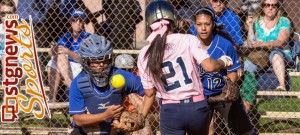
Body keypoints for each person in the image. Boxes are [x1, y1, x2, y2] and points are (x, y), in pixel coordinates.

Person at [137, 1, 233, 135]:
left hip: (170, 111)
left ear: (149, 24)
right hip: (196, 109)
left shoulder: (144, 53)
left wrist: (141, 116)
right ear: (174, 20)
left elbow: (150, 93)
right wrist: (223, 62)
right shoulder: (188, 39)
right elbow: (210, 66)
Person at [193, 7, 257, 135]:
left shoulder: (225, 44)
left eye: (207, 24)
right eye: (199, 24)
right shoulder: (191, 44)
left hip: (222, 93)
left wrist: (229, 86)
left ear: (213, 24)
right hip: (201, 96)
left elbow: (233, 70)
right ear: (195, 25)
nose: (203, 28)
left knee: (245, 131)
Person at [69, 34, 144, 135]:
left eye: (104, 59)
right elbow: (77, 119)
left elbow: (149, 90)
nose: (101, 64)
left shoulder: (120, 75)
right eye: (96, 60)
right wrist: (106, 115)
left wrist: (142, 116)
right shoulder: (78, 83)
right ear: (86, 61)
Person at [245, 0, 293, 91]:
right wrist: (250, 26)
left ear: (277, 8)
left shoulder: (283, 21)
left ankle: (282, 86)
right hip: (262, 54)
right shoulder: (257, 21)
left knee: (275, 54)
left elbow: (280, 42)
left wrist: (262, 44)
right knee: (249, 63)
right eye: (267, 5)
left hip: (281, 53)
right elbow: (251, 44)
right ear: (263, 7)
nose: (270, 8)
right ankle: (249, 90)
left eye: (274, 5)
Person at [46, 8, 90, 102]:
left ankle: (54, 97)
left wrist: (68, 52)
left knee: (58, 60)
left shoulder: (88, 37)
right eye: (75, 20)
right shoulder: (65, 37)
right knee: (54, 62)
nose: (77, 23)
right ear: (71, 21)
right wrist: (53, 50)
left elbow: (84, 60)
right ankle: (53, 99)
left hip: (80, 67)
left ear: (84, 23)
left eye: (81, 20)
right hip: (65, 67)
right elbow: (52, 53)